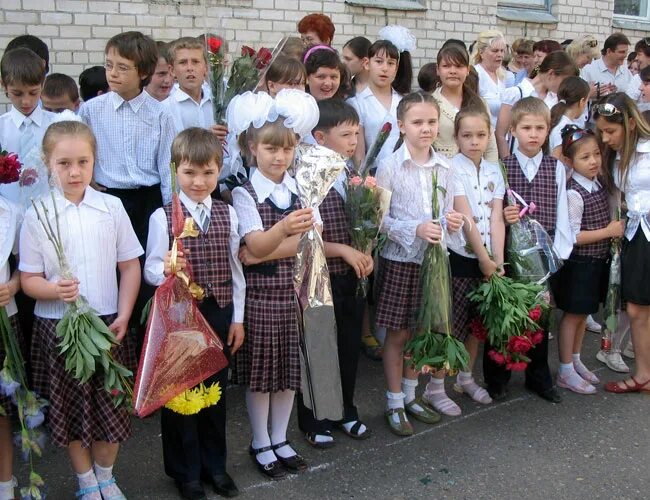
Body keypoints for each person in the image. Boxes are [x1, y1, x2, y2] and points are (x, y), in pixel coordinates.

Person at [20, 117, 142, 500]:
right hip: (58, 328)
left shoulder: (111, 207)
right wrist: (55, 290)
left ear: (94, 161)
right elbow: (29, 280)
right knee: (71, 409)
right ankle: (86, 480)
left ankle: (106, 475)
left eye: (83, 162)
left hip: (108, 323)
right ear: (47, 164)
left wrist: (123, 314)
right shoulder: (38, 213)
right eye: (64, 163)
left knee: (111, 406)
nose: (75, 172)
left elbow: (129, 265)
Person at [144, 128, 244, 499]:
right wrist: (166, 269)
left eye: (208, 173)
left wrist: (238, 317)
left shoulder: (228, 214)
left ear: (219, 170)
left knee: (214, 395)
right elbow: (150, 269)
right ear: (175, 172)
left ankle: (214, 466)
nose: (199, 182)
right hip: (181, 321)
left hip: (218, 313)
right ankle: (185, 473)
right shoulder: (162, 217)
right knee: (181, 396)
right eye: (189, 173)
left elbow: (236, 271)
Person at [231, 89, 319, 480]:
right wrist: (279, 234)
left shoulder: (300, 188)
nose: (278, 156)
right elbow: (255, 241)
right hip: (262, 298)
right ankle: (260, 441)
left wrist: (263, 251)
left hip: (294, 294)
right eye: (269, 148)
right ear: (252, 147)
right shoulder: (243, 192)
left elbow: (309, 240)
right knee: (262, 376)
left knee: (288, 373)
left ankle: (281, 438)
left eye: (286, 149)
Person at [375, 92, 463, 436]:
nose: (426, 129)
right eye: (417, 122)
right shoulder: (390, 167)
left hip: (435, 262)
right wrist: (415, 228)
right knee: (398, 333)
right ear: (401, 126)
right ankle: (394, 400)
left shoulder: (446, 165)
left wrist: (453, 222)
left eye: (431, 122)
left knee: (423, 330)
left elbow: (450, 212)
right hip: (402, 261)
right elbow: (378, 220)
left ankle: (412, 395)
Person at [296, 99, 374, 448]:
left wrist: (366, 249)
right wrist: (343, 249)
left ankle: (346, 408)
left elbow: (366, 220)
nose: (353, 141)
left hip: (350, 275)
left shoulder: (351, 171)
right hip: (319, 275)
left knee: (347, 344)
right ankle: (314, 418)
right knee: (319, 347)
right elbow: (304, 237)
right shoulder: (308, 176)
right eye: (345, 134)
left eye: (356, 133)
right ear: (320, 137)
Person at [488, 96, 573, 403]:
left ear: (548, 130)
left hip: (543, 255)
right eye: (526, 128)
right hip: (511, 255)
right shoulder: (501, 167)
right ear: (513, 130)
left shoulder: (556, 168)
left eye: (540, 128)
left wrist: (558, 254)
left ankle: (538, 376)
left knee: (540, 316)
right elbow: (493, 213)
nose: (533, 134)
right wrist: (506, 218)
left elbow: (562, 211)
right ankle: (497, 376)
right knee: (505, 315)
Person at [426, 106, 506, 414]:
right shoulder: (451, 168)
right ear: (456, 136)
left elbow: (497, 216)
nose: (475, 141)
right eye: (467, 135)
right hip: (462, 257)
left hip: (488, 259)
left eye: (481, 135)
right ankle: (435, 386)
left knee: (476, 325)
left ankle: (466, 377)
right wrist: (484, 258)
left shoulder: (493, 169)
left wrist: (497, 258)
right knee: (452, 325)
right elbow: (466, 215)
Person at [78, 31, 175, 247]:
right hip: (108, 197)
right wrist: (87, 179)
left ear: (143, 72)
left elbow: (168, 166)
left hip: (148, 200)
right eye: (109, 65)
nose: (112, 73)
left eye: (122, 67)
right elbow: (82, 151)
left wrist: (171, 209)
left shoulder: (160, 114)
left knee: (147, 264)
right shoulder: (91, 111)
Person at [551, 125, 624, 395]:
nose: (593, 161)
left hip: (596, 262)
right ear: (570, 162)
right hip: (579, 265)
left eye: (596, 154)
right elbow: (573, 236)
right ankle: (565, 369)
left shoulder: (597, 184)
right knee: (572, 315)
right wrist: (608, 232)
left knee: (584, 314)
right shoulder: (573, 193)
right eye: (585, 157)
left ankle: (577, 359)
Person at [594, 93, 650, 395]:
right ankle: (644, 373)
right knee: (639, 309)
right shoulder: (615, 155)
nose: (606, 137)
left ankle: (644, 374)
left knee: (641, 310)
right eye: (602, 131)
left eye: (610, 131)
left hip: (646, 233)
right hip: (635, 235)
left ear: (630, 123)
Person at [495, 51, 579, 159]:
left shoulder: (556, 100)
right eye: (565, 81)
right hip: (516, 161)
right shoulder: (516, 93)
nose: (566, 86)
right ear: (551, 74)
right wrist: (508, 165)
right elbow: (501, 134)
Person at [0, 47, 55, 204]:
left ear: (42, 85)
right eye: (17, 93)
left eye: (33, 93)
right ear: (4, 85)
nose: (26, 101)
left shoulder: (56, 125)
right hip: (7, 212)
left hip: (50, 212)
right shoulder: (2, 127)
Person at [432, 44, 498, 162]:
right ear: (438, 70)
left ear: (467, 70)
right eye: (446, 66)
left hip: (475, 172)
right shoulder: (430, 104)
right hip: (442, 173)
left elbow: (490, 147)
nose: (452, 71)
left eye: (458, 66)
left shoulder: (480, 103)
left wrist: (492, 175)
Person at [348, 38, 409, 167]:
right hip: (372, 176)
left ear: (396, 68)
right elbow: (359, 155)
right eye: (379, 62)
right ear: (366, 64)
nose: (385, 68)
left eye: (391, 63)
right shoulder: (357, 103)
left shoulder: (404, 102)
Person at [164, 37, 227, 142]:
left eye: (195, 62)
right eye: (183, 62)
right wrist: (206, 139)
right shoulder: (166, 109)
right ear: (172, 71)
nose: (190, 68)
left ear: (206, 68)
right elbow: (169, 152)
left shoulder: (218, 102)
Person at [0, 196, 22, 500]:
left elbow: (23, 265)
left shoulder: (10, 211)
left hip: (4, 318)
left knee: (2, 409)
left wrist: (13, 286)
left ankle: (5, 483)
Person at [472, 30, 507, 128]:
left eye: (502, 50)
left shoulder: (502, 75)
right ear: (481, 52)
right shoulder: (475, 74)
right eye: (495, 51)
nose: (500, 55)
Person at [549, 76, 590, 160]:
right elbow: (556, 158)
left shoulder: (558, 120)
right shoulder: (565, 127)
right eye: (587, 101)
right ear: (582, 102)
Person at [581, 33, 632, 100]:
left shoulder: (626, 70)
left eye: (626, 52)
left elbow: (632, 95)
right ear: (609, 51)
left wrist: (617, 93)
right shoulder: (589, 69)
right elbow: (577, 97)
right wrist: (589, 94)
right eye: (621, 52)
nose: (625, 55)